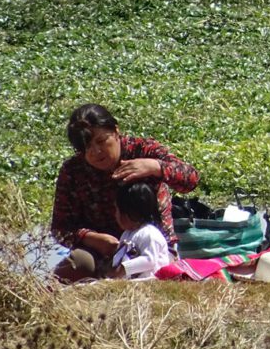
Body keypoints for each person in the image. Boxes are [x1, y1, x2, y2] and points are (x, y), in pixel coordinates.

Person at [51, 103, 199, 281]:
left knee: (157, 275)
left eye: (101, 141)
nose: (96, 152)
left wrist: (155, 167)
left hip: (151, 246)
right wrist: (93, 239)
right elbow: (60, 228)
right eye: (87, 148)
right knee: (73, 268)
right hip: (103, 252)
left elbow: (190, 180)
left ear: (115, 130)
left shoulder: (143, 151)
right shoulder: (73, 171)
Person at [109, 183, 173, 280]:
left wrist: (124, 268)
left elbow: (149, 260)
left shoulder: (150, 234)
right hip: (131, 283)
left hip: (149, 281)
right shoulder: (126, 234)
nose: (115, 215)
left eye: (117, 210)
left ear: (129, 213)